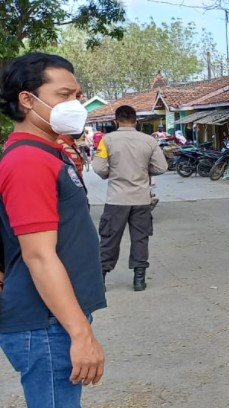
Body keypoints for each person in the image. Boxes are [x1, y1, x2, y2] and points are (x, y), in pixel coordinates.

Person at [0, 51, 106, 406]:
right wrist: (80, 333)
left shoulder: (48, 153)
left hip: (53, 317)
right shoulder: (28, 160)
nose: (75, 104)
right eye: (63, 95)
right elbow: (40, 256)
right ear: (27, 100)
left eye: (76, 95)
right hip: (45, 322)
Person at [93, 105, 168, 292]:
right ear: (136, 121)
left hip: (116, 199)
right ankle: (139, 280)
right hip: (141, 199)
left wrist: (112, 173)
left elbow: (99, 167)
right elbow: (161, 167)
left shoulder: (106, 140)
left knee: (109, 238)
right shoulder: (148, 141)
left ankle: (100, 279)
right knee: (140, 238)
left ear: (115, 121)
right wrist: (143, 172)